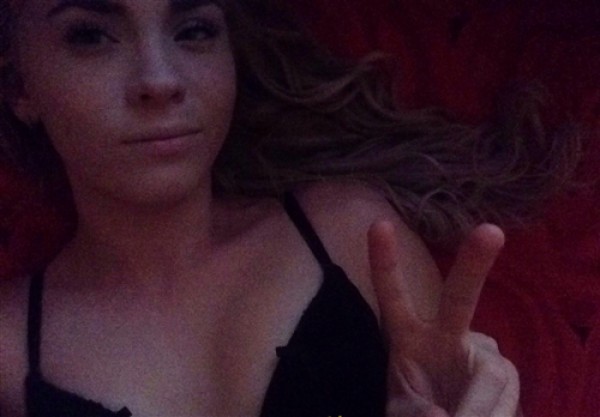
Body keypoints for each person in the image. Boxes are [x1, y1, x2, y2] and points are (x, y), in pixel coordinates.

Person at [0, 0, 578, 416]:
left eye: (194, 30)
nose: (160, 80)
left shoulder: (352, 234)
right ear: (18, 87)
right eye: (90, 36)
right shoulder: (8, 347)